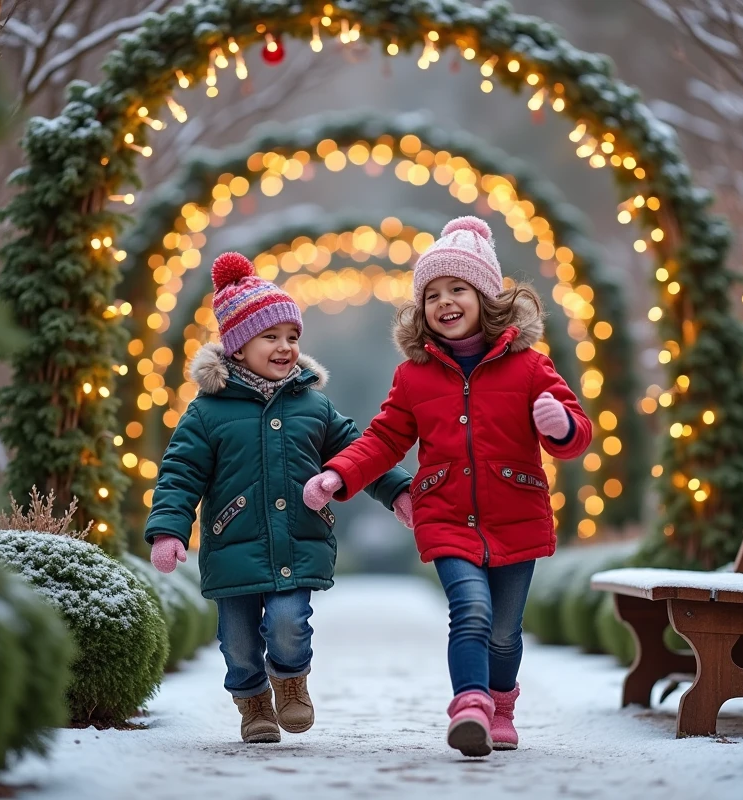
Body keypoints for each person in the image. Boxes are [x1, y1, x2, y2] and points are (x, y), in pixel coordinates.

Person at [302, 216, 592, 757]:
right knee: (471, 611)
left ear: (486, 296)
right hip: (446, 516)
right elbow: (384, 438)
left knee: (505, 633)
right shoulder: (414, 376)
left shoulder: (530, 367)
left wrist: (561, 426)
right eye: (432, 293)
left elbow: (575, 433)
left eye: (457, 289)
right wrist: (340, 473)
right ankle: (471, 707)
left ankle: (501, 704)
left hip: (516, 513)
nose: (444, 302)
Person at [146, 252, 413, 744]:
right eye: (271, 337)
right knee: (238, 643)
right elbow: (180, 474)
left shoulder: (313, 405)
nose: (286, 347)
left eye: (292, 337)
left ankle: (291, 681)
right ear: (238, 346)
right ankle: (253, 704)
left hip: (297, 539)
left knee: (290, 623)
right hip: (233, 545)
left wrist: (396, 488)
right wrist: (168, 530)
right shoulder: (207, 414)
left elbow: (359, 451)